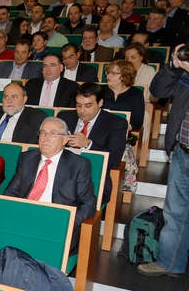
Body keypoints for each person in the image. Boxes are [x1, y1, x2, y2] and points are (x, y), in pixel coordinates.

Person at [4, 117, 96, 248]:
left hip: (56, 222)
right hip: (24, 216)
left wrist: (68, 222)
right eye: (42, 132)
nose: (45, 137)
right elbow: (11, 192)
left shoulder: (78, 165)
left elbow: (88, 203)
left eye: (53, 133)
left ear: (65, 139)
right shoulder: (27, 158)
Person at [138, 47, 189, 277]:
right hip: (182, 151)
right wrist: (173, 66)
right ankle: (170, 263)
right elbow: (157, 91)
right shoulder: (183, 75)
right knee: (174, 213)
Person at [60, 82, 127, 204]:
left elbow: (114, 160)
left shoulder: (116, 124)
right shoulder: (64, 117)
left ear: (100, 103)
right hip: (60, 174)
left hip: (92, 179)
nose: (82, 111)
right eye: (78, 105)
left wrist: (88, 144)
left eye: (88, 106)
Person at [103, 60, 146, 130]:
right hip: (100, 130)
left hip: (124, 131)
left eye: (113, 73)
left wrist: (122, 129)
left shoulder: (136, 94)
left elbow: (137, 121)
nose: (108, 76)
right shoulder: (99, 91)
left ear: (125, 76)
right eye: (108, 72)